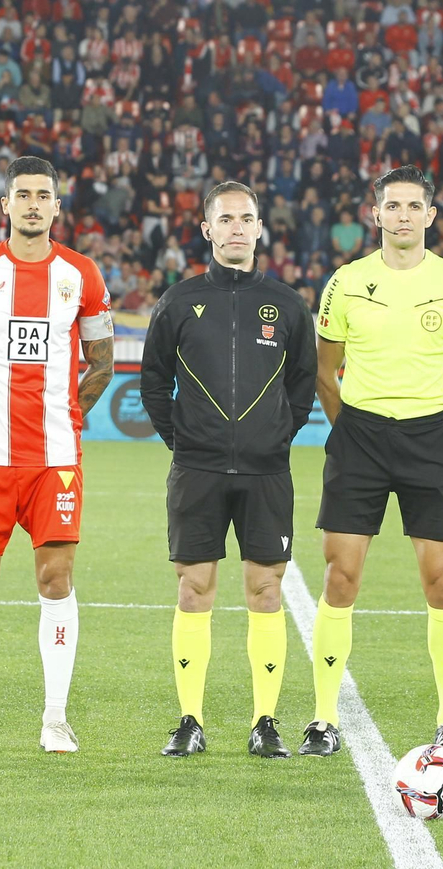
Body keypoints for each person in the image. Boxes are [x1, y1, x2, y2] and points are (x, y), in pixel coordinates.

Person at [300, 165, 443, 758]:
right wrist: (352, 430)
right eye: (393, 206)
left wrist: (435, 431)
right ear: (375, 214)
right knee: (342, 575)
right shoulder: (345, 283)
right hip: (359, 438)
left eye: (414, 206)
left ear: (431, 216)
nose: (403, 215)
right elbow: (324, 373)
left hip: (429, 439)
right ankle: (323, 718)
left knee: (441, 579)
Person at [0, 156, 116, 754]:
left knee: (55, 578)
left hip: (55, 460)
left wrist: (66, 415)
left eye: (44, 196)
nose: (34, 204)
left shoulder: (82, 275)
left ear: (57, 207)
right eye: (23, 195)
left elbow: (103, 363)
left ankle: (56, 719)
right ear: (5, 205)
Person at [139, 180, 318, 758]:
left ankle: (265, 721)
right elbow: (152, 384)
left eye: (247, 218)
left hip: (267, 472)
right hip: (198, 469)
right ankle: (189, 719)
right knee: (196, 587)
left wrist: (273, 439)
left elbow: (302, 389)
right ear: (207, 229)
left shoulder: (289, 304)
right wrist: (186, 442)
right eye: (227, 219)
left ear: (260, 229)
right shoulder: (178, 300)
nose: (238, 228)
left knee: (266, 587)